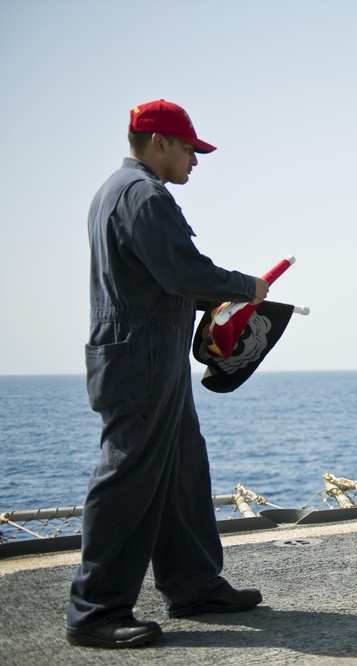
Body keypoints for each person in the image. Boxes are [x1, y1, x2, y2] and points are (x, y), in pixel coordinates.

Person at [65, 100, 271, 649]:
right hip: (143, 354)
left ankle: (194, 585)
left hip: (149, 350)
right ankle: (95, 612)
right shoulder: (143, 195)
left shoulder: (118, 191)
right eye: (189, 150)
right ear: (158, 142)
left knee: (182, 465)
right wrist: (243, 286)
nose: (195, 162)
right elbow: (181, 272)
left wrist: (223, 291)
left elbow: (163, 276)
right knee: (128, 474)